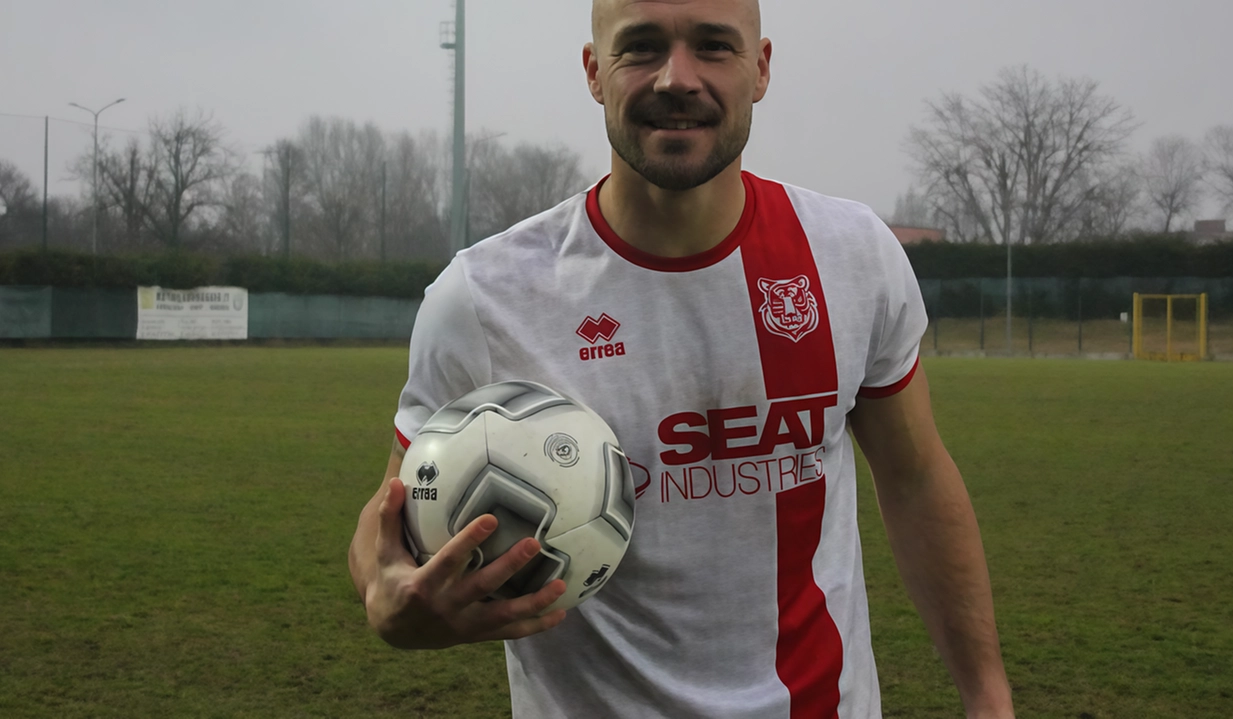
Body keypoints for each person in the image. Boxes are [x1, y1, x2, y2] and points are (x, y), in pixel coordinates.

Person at [348, 0, 1016, 717]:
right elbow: (396, 507)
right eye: (640, 48)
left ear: (759, 69)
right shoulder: (483, 297)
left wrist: (988, 694)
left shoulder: (851, 257)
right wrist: (385, 593)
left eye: (713, 46)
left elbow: (916, 479)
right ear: (593, 72)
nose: (677, 77)